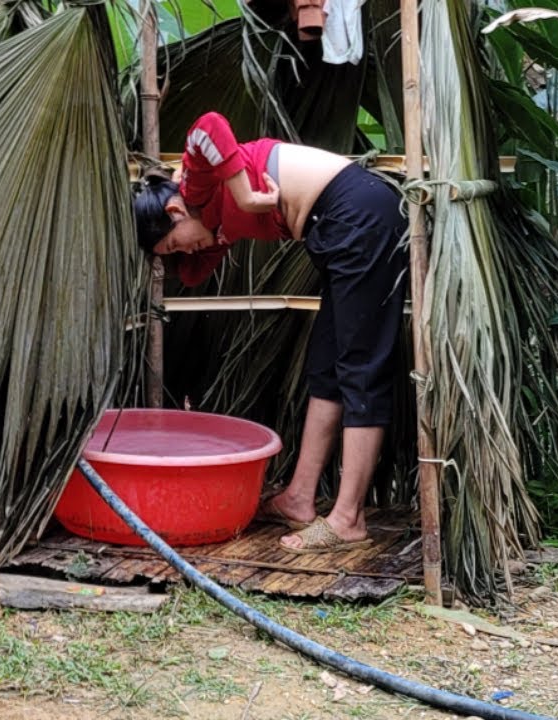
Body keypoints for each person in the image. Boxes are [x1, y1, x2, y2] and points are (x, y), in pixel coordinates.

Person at [133, 111, 407, 555]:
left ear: (175, 209)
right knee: (325, 367)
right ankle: (299, 498)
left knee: (361, 369)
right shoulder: (211, 226)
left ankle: (348, 518)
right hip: (335, 228)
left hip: (357, 214)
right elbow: (193, 274)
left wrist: (245, 194)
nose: (184, 251)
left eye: (176, 242)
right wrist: (192, 241)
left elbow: (210, 125)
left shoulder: (198, 188)